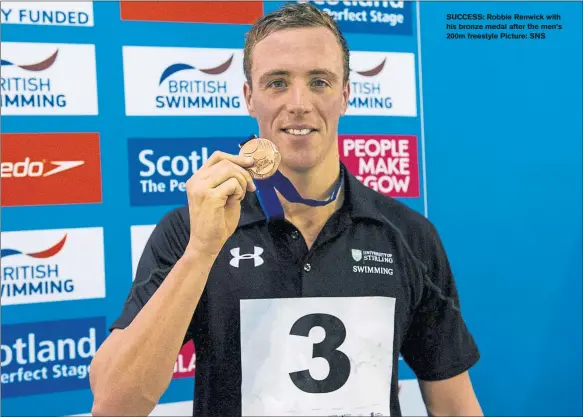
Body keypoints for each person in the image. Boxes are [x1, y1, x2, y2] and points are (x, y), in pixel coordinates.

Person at [89, 3, 483, 416]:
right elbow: (114, 404)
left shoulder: (408, 235)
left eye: (319, 81)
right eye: (277, 83)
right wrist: (202, 251)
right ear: (249, 97)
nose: (299, 103)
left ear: (346, 94)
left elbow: (455, 407)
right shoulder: (191, 230)